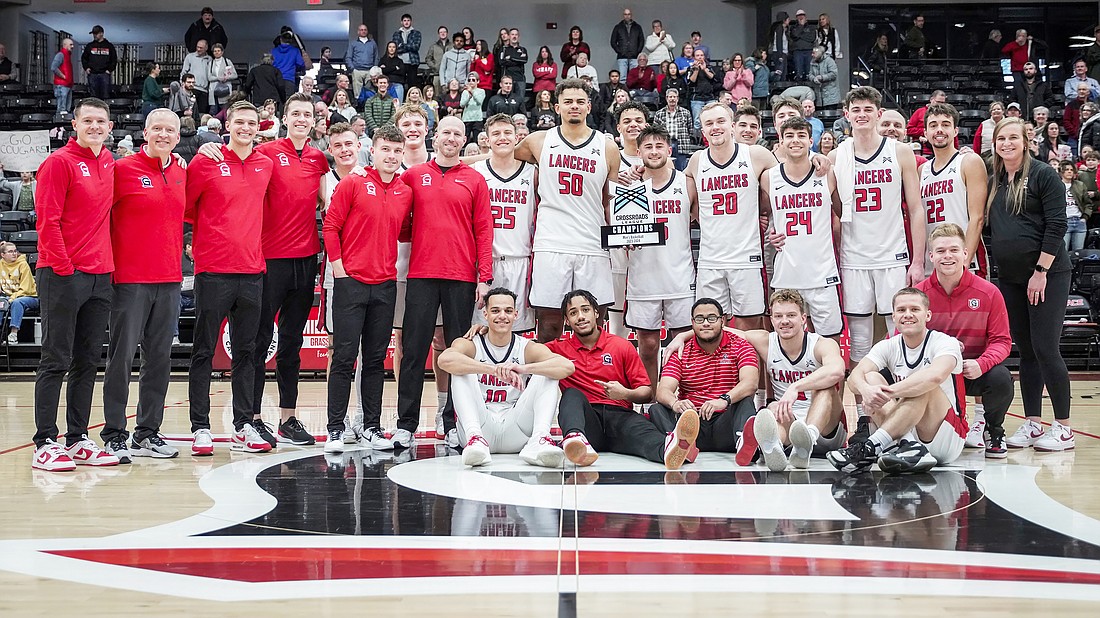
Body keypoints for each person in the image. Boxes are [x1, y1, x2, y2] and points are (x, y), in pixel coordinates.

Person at [829, 87, 925, 442]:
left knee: (900, 337)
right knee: (858, 346)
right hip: (854, 258)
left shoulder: (900, 152)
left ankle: (903, 418)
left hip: (892, 256)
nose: (862, 115)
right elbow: (831, 207)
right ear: (846, 114)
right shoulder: (838, 154)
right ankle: (862, 426)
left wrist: (917, 259)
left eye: (868, 109)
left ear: (878, 113)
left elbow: (916, 208)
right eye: (856, 110)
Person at [31, 98, 120, 471]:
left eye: (101, 121)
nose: (95, 127)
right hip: (63, 274)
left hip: (102, 277)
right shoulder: (58, 163)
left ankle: (78, 437)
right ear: (75, 124)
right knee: (56, 358)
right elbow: (47, 221)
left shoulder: (111, 163)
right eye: (88, 121)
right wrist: (66, 269)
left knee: (87, 361)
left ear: (111, 127)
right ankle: (45, 442)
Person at [395, 115, 493, 450]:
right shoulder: (413, 175)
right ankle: (405, 425)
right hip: (421, 274)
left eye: (457, 133)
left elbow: (484, 229)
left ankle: (453, 423)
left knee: (457, 353)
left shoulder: (475, 180)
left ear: (464, 140)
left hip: (461, 276)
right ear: (435, 138)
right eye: (446, 132)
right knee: (413, 351)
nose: (451, 138)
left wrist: (485, 277)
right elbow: (399, 220)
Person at [185, 100, 274, 456]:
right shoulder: (206, 161)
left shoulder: (265, 164)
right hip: (213, 270)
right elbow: (187, 209)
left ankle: (243, 425)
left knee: (247, 352)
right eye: (240, 122)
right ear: (228, 125)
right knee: (203, 350)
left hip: (252, 271)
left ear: (259, 127)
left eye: (252, 123)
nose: (246, 127)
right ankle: (200, 427)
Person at [100, 109, 186, 462]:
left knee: (159, 360)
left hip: (169, 280)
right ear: (145, 133)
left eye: (170, 130)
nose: (163, 135)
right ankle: (114, 434)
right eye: (157, 129)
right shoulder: (122, 170)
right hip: (129, 281)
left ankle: (147, 433)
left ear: (178, 138)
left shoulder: (182, 171)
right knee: (121, 358)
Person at [322, 123, 412, 453]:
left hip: (385, 285)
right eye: (385, 149)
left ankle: (371, 427)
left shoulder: (405, 191)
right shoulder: (353, 183)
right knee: (344, 358)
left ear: (403, 154)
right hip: (351, 283)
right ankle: (335, 429)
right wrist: (339, 270)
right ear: (372, 151)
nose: (391, 156)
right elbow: (331, 226)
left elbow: (404, 232)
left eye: (396, 151)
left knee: (375, 361)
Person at [986, 117, 1074, 451]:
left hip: (1046, 275)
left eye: (1012, 138)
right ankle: (1033, 423)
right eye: (1000, 139)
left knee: (1046, 348)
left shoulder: (1043, 174)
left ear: (1025, 140)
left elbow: (1057, 225)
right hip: (1010, 278)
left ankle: (1063, 428)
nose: (1006, 144)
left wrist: (1041, 270)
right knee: (1025, 351)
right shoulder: (997, 180)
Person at [513, 79, 621, 342]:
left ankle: (589, 381)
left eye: (580, 102)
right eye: (568, 101)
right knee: (549, 323)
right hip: (551, 243)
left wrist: (622, 237)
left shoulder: (607, 147)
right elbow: (498, 158)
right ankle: (546, 382)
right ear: (557, 106)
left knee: (593, 323)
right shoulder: (537, 141)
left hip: (592, 243)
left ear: (588, 106)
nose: (574, 106)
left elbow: (612, 202)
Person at [549, 289, 700, 469]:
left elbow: (646, 392)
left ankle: (671, 448)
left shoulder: (620, 345)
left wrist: (624, 393)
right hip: (588, 423)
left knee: (646, 435)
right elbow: (523, 350)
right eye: (573, 313)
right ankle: (575, 440)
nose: (580, 317)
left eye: (585, 310)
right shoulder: (556, 349)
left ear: (596, 312)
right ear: (567, 320)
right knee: (572, 395)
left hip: (619, 416)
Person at [828, 288, 967, 474]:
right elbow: (854, 376)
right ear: (893, 316)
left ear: (928, 315)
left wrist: (887, 394)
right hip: (906, 429)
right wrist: (867, 392)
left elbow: (935, 376)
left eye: (914, 309)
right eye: (901, 310)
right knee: (869, 378)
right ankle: (909, 445)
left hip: (945, 435)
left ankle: (871, 447)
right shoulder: (888, 345)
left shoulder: (945, 342)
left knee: (924, 384)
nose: (907, 315)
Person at [441, 288, 574, 467]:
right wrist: (493, 370)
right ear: (485, 314)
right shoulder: (471, 343)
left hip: (516, 428)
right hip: (480, 425)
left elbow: (566, 366)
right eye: (495, 311)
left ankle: (540, 438)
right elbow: (445, 359)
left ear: (516, 315)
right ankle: (475, 439)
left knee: (548, 372)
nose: (502, 316)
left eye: (508, 311)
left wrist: (523, 368)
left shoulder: (525, 347)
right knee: (460, 368)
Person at [718, 290, 847, 471]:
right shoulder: (766, 341)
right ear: (771, 319)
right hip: (789, 422)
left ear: (803, 318)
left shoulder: (820, 344)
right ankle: (774, 447)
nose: (784, 321)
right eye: (778, 316)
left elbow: (837, 371)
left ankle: (807, 438)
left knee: (825, 388)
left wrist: (795, 387)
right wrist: (683, 336)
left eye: (791, 315)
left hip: (826, 430)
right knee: (771, 409)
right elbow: (717, 330)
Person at [916, 223, 1014, 458]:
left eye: (953, 250)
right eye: (940, 251)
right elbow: (904, 339)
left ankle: (993, 430)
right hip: (935, 371)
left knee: (1001, 379)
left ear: (965, 254)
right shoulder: (919, 294)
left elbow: (1002, 341)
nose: (947, 256)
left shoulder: (989, 293)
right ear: (931, 256)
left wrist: (982, 363)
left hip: (972, 370)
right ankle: (910, 433)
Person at [686, 102, 780, 330]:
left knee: (750, 330)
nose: (715, 127)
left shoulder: (756, 155)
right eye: (709, 123)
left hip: (745, 258)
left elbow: (786, 181)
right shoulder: (697, 160)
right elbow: (689, 204)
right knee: (711, 328)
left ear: (732, 126)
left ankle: (754, 368)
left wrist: (817, 159)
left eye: (720, 122)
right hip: (710, 259)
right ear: (702, 130)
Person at [625, 125, 696, 389]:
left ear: (669, 149)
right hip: (644, 276)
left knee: (681, 343)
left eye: (659, 146)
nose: (654, 151)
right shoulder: (629, 186)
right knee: (648, 343)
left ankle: (679, 396)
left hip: (679, 274)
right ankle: (650, 398)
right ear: (638, 151)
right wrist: (624, 240)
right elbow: (619, 230)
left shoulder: (686, 182)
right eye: (648, 147)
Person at [762, 117, 843, 338]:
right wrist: (770, 230)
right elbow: (759, 215)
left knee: (830, 341)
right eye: (789, 136)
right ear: (779, 140)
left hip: (822, 273)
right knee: (788, 339)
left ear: (811, 140)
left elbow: (843, 213)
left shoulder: (828, 174)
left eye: (801, 136)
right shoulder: (769, 177)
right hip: (787, 274)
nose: (795, 141)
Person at [648, 297, 758, 457]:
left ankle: (744, 445)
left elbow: (750, 383)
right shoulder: (680, 351)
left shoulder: (741, 345)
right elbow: (663, 389)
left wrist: (724, 399)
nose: (706, 323)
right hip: (691, 426)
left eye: (712, 318)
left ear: (722, 321)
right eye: (700, 319)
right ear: (692, 323)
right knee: (657, 409)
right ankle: (680, 446)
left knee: (745, 401)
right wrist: (675, 403)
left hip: (725, 423)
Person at [471, 114, 537, 333]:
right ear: (487, 140)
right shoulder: (475, 171)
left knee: (517, 332)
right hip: (485, 265)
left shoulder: (532, 172)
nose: (502, 138)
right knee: (481, 330)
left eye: (507, 133)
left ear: (517, 137)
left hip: (520, 260)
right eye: (496, 134)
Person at [919, 103, 989, 277]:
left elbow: (977, 218)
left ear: (956, 131)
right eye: (933, 125)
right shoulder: (922, 170)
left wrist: (964, 264)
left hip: (965, 261)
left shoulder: (968, 161)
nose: (939, 130)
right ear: (926, 133)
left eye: (945, 124)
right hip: (933, 261)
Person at [0, 242, 37, 345]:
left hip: (30, 296)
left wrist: (11, 298)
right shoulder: (0, 265)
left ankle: (13, 334)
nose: (14, 254)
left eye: (15, 251)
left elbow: (26, 289)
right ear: (3, 255)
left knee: (17, 302)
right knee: (1, 302)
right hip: (8, 297)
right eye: (10, 251)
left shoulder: (23, 264)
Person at [654, 88, 694, 166]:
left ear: (677, 98)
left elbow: (690, 130)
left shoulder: (686, 113)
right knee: (667, 168)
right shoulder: (659, 113)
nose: (672, 99)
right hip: (666, 143)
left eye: (674, 97)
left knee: (681, 169)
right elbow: (656, 131)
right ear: (666, 98)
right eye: (670, 97)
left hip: (681, 144)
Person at [1060, 161, 1091, 251]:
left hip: (1079, 221)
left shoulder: (1080, 185)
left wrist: (1085, 217)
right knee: (1063, 252)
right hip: (1064, 222)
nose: (1069, 171)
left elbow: (1088, 203)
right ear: (1061, 172)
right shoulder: (1056, 185)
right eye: (1066, 170)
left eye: (1071, 170)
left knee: (1078, 253)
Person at [686, 49, 721, 127]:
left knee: (713, 121)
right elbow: (691, 82)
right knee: (697, 122)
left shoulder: (709, 67)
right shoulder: (690, 69)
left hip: (710, 98)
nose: (700, 57)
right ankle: (698, 139)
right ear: (694, 57)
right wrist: (696, 70)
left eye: (701, 55)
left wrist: (704, 69)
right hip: (697, 99)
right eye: (697, 55)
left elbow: (714, 78)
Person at [82, 26, 117, 100]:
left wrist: (109, 70)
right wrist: (86, 68)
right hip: (92, 74)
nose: (94, 35)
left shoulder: (109, 46)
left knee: (105, 95)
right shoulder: (90, 46)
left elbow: (114, 59)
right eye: (93, 33)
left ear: (101, 33)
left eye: (96, 33)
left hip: (104, 74)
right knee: (93, 96)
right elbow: (84, 58)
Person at [611, 8, 645, 78]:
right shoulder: (618, 27)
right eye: (625, 14)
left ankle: (633, 89)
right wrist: (619, 51)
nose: (627, 16)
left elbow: (641, 41)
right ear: (623, 15)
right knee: (622, 78)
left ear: (631, 15)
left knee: (634, 77)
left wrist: (637, 52)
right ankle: (623, 89)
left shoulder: (637, 27)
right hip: (622, 57)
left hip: (634, 57)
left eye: (628, 14)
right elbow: (613, 41)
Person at [348, 24, 380, 99]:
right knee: (358, 92)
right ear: (358, 32)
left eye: (365, 30)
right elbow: (348, 57)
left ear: (367, 31)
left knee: (370, 89)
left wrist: (374, 68)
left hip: (370, 70)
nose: (363, 31)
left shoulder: (372, 43)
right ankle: (359, 105)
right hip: (357, 70)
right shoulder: (353, 43)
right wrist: (352, 68)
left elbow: (376, 56)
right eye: (361, 30)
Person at [391, 13, 421, 89]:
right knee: (400, 84)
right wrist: (408, 46)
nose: (406, 22)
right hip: (400, 62)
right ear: (401, 22)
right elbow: (396, 48)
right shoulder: (397, 34)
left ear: (411, 22)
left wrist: (403, 45)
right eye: (404, 20)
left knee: (412, 84)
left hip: (412, 62)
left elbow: (416, 47)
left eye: (408, 20)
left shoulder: (416, 33)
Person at [501, 28, 529, 102]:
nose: (514, 36)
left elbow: (524, 60)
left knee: (520, 101)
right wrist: (517, 60)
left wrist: (511, 58)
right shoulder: (504, 49)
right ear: (509, 36)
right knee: (507, 100)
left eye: (516, 35)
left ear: (518, 37)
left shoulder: (523, 49)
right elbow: (502, 62)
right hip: (508, 79)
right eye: (512, 34)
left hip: (520, 79)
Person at [180, 39, 212, 106]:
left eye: (201, 48)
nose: (198, 49)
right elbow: (184, 72)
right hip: (192, 89)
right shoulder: (190, 57)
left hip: (204, 90)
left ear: (206, 48)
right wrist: (182, 85)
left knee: (202, 112)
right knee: (190, 111)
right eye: (197, 47)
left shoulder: (209, 59)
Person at [207, 44, 237, 114]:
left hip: (225, 90)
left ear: (222, 52)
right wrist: (218, 78)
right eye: (215, 51)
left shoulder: (227, 62)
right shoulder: (210, 63)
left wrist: (227, 78)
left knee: (225, 111)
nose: (217, 53)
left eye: (218, 51)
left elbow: (235, 75)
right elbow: (209, 77)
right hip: (213, 90)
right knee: (213, 111)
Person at [787, 10, 816, 80]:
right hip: (798, 51)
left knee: (809, 72)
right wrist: (801, 26)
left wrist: (800, 36)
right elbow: (795, 35)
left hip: (809, 51)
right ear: (796, 18)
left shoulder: (811, 27)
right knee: (798, 72)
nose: (801, 17)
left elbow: (811, 38)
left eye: (802, 15)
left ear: (805, 17)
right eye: (799, 16)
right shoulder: (793, 27)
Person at [50, 38, 75, 116]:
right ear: (65, 45)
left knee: (66, 109)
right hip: (62, 84)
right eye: (71, 44)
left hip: (67, 84)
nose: (72, 46)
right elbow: (53, 67)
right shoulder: (61, 55)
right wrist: (63, 76)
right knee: (62, 109)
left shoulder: (67, 55)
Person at [425, 26, 450, 92]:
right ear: (438, 34)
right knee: (437, 94)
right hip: (437, 74)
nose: (443, 33)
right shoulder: (433, 46)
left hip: (450, 75)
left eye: (444, 32)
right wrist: (434, 67)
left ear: (447, 33)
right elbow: (428, 59)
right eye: (441, 32)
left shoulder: (452, 46)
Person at [768, 12, 790, 80]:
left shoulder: (782, 29)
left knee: (782, 72)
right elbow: (779, 42)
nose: (789, 21)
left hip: (781, 53)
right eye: (788, 19)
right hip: (779, 53)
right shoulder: (779, 28)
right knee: (780, 72)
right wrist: (780, 55)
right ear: (784, 20)